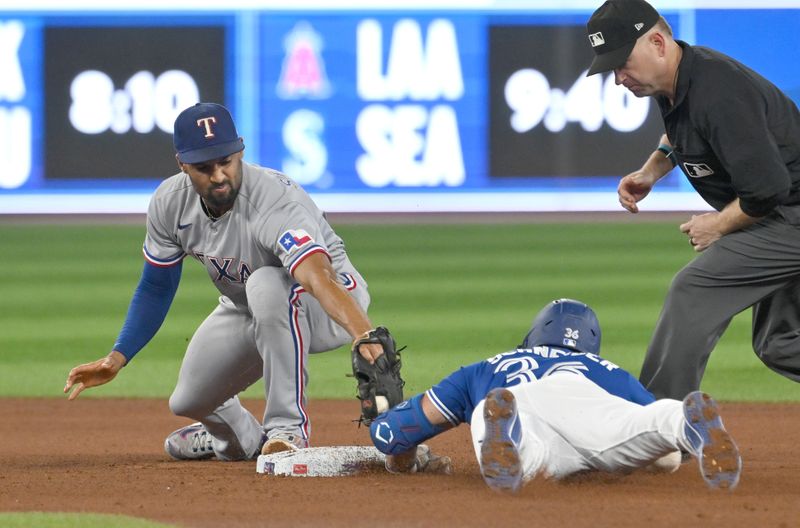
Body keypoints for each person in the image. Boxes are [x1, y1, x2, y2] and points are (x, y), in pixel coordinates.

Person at [63, 102, 389, 461]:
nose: (218, 175)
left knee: (266, 284)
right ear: (182, 164)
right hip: (252, 307)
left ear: (241, 151)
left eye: (226, 161)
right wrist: (117, 356)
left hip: (330, 305)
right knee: (189, 399)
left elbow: (317, 275)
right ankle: (241, 439)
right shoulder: (170, 204)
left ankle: (287, 431)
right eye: (204, 167)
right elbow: (156, 286)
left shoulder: (274, 201)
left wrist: (364, 334)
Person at [585, 0, 800, 399]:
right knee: (780, 342)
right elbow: (683, 134)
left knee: (694, 288)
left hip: (789, 214)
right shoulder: (675, 81)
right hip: (781, 214)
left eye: (622, 62)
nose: (618, 78)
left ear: (657, 43)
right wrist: (652, 170)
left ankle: (655, 427)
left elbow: (769, 189)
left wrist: (718, 225)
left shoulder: (719, 91)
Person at [369, 299, 742, 493]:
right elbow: (668, 463)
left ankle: (506, 431)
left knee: (521, 448)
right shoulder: (607, 370)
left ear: (533, 335)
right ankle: (682, 418)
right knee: (646, 425)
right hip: (585, 398)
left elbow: (394, 434)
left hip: (512, 399)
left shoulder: (482, 368)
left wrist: (402, 455)